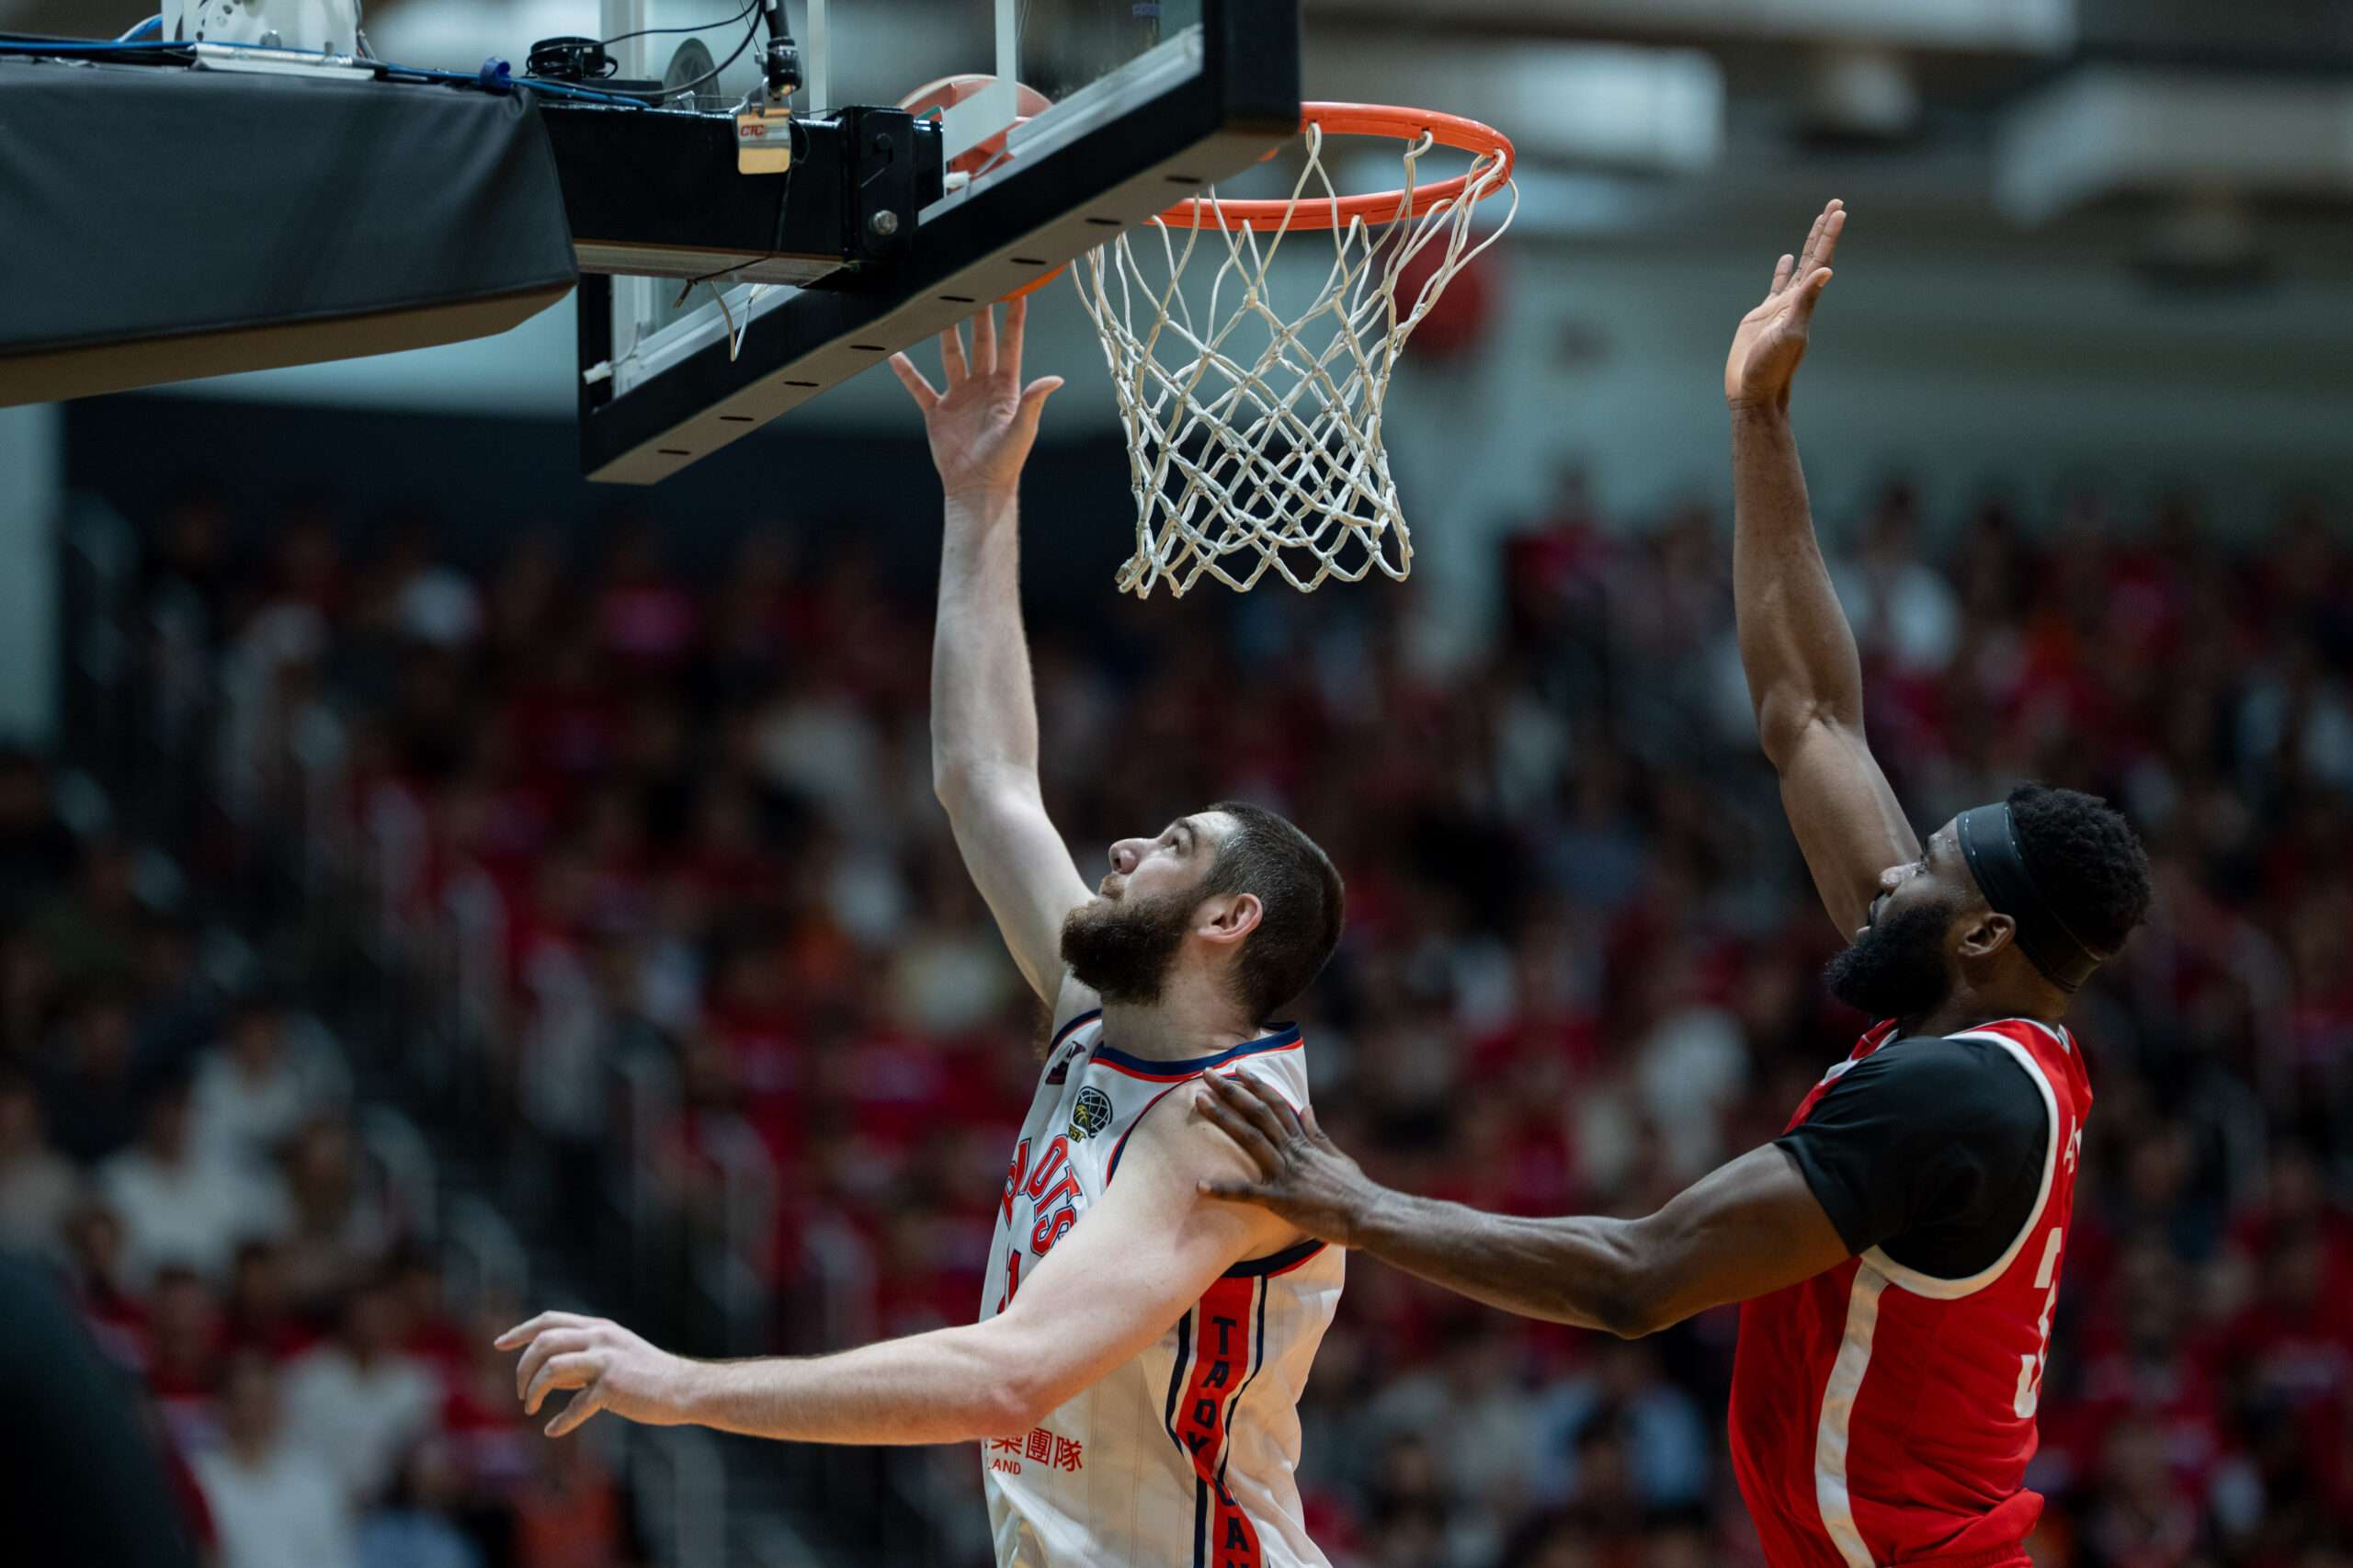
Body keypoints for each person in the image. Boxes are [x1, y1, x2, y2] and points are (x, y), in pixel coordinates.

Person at [1190, 201, 2155, 1568]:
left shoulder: (1957, 1093)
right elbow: (1812, 717)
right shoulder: (1975, 1020)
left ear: (1986, 933)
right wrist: (1759, 417)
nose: (1894, 872)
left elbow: (1639, 1279)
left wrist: (1353, 1203)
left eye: (1927, 869)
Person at [499, 298, 1349, 1568]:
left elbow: (1008, 1379)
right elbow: (987, 778)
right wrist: (977, 498)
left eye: (1172, 844)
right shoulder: (1107, 1012)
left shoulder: (1230, 1133)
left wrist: (683, 1385)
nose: (1125, 846)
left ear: (1229, 920)